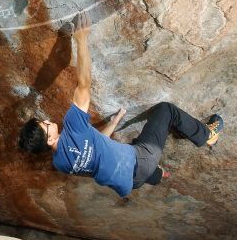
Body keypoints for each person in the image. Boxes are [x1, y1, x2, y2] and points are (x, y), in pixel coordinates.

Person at [17, 12, 223, 198]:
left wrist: (114, 121)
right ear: (50, 138)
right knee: (165, 110)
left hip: (130, 182)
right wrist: (81, 39)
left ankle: (158, 175)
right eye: (45, 124)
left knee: (133, 155)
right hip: (140, 160)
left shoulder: (61, 164)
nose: (47, 120)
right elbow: (84, 84)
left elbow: (97, 155)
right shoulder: (73, 126)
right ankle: (207, 136)